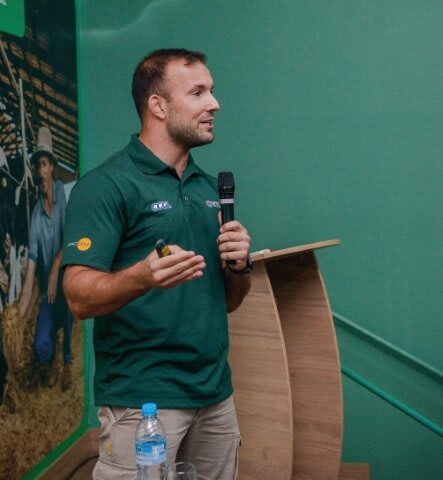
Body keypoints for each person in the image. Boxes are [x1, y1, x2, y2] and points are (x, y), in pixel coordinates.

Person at [62, 49, 252, 480]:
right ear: (159, 106)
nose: (214, 104)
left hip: (216, 397)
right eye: (198, 92)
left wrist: (238, 267)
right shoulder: (106, 186)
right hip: (143, 403)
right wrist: (142, 276)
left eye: (212, 91)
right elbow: (77, 296)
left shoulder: (209, 189)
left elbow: (230, 302)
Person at [18, 127, 73, 391]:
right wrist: (19, 313)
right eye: (37, 166)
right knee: (40, 344)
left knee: (70, 287)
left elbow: (70, 237)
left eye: (44, 164)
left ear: (52, 167)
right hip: (50, 293)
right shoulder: (36, 216)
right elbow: (30, 265)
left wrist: (54, 267)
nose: (40, 172)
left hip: (66, 281)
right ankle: (50, 358)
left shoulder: (63, 195)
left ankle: (68, 360)